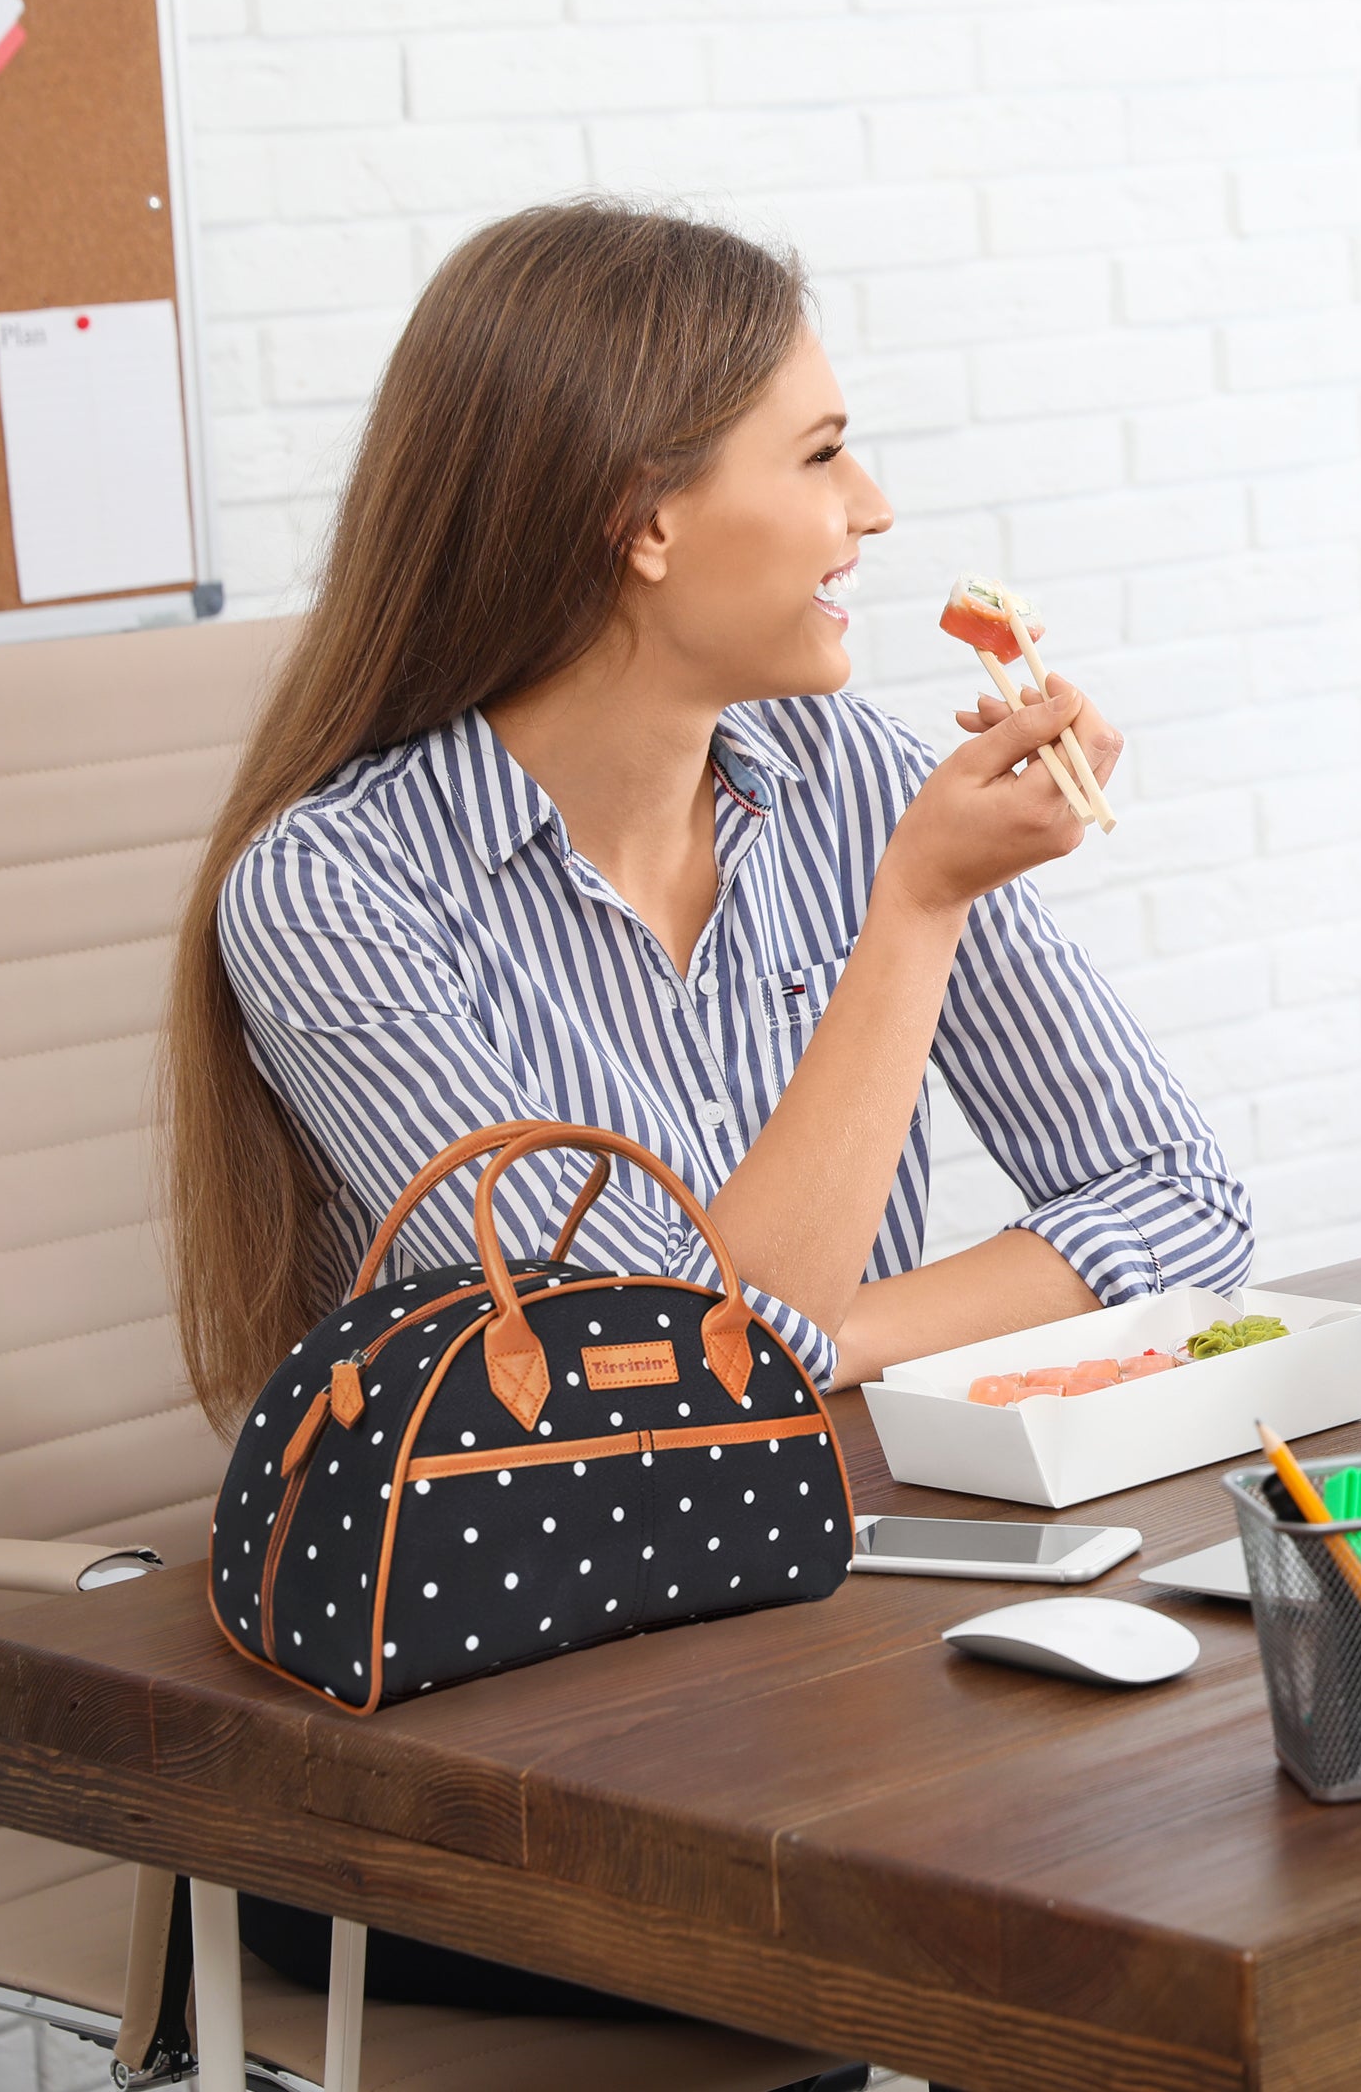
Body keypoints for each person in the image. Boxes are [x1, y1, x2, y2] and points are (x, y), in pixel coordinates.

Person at [161, 200, 1250, 2022]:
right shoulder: (337, 892)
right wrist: (915, 916)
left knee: (1249, 1790)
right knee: (1116, 1907)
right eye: (822, 455)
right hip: (484, 1750)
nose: (875, 511)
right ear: (644, 518)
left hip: (810, 1637)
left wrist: (822, 1341)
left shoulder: (843, 777)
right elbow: (658, 1376)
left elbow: (1175, 1194)